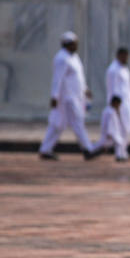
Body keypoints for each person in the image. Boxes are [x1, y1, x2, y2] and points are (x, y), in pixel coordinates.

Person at [38, 31, 99, 161]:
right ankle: (88, 149)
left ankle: (45, 149)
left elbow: (78, 78)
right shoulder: (61, 58)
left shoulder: (74, 57)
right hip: (67, 98)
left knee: (58, 124)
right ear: (67, 44)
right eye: (74, 44)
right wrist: (54, 96)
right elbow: (57, 78)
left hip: (76, 96)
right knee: (77, 123)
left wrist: (85, 89)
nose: (76, 46)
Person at [105, 47, 130, 137]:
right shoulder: (113, 70)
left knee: (126, 128)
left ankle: (122, 151)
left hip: (126, 102)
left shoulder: (124, 68)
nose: (125, 58)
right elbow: (113, 88)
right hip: (118, 104)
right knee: (118, 130)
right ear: (118, 55)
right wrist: (115, 106)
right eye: (123, 56)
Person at [95, 96, 129, 162]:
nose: (118, 106)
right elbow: (109, 124)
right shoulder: (110, 112)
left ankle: (119, 156)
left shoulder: (109, 110)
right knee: (118, 143)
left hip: (110, 132)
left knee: (118, 143)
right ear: (115, 103)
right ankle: (119, 156)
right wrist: (109, 133)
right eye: (118, 105)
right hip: (110, 133)